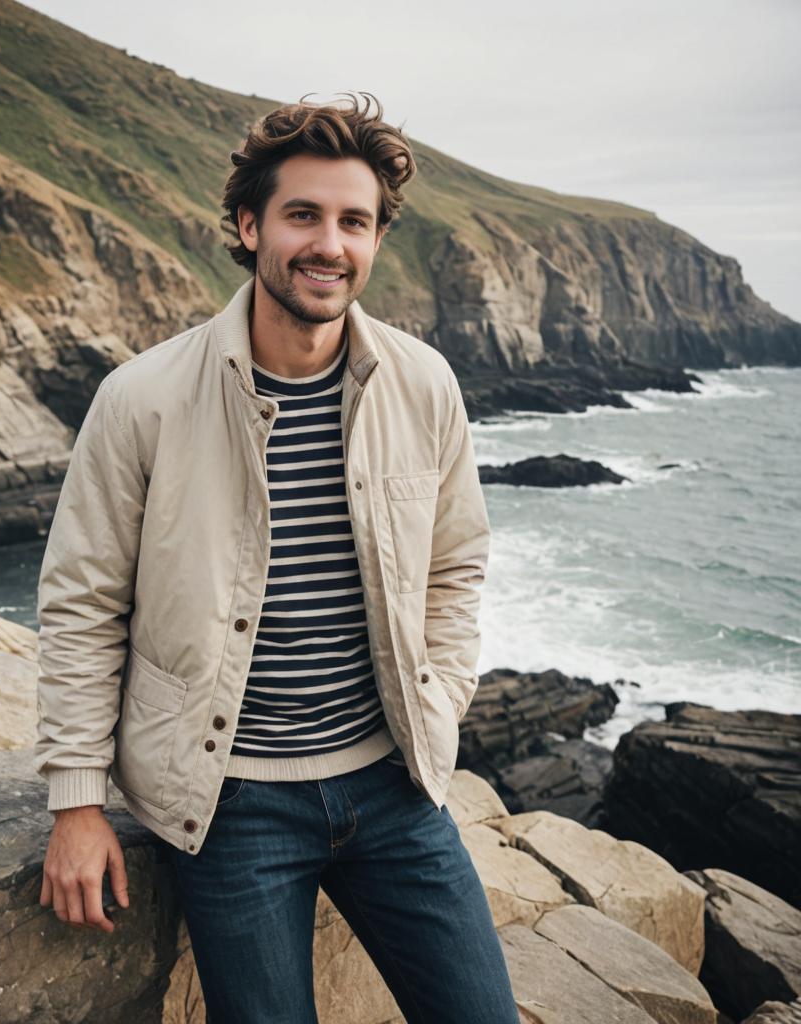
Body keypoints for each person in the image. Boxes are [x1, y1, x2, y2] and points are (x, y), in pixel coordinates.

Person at [34, 91, 520, 1023]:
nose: (327, 244)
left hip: (394, 786)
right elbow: (82, 603)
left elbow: (458, 565)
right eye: (303, 215)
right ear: (251, 225)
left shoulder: (423, 385)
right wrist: (77, 802)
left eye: (354, 221)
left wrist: (438, 700)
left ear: (376, 240)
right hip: (231, 807)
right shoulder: (143, 400)